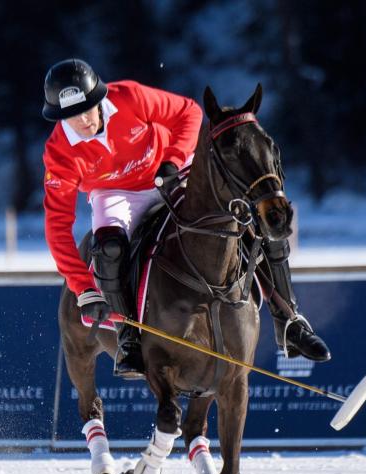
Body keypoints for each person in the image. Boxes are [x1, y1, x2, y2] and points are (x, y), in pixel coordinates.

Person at [40, 58, 330, 380]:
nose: (82, 120)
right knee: (109, 250)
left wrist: (174, 159)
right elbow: (56, 227)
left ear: (99, 99)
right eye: (70, 115)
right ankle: (129, 338)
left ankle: (289, 319)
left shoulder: (128, 97)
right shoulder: (58, 152)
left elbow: (189, 112)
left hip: (172, 170)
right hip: (115, 194)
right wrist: (83, 288)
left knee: (246, 219)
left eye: (87, 108)